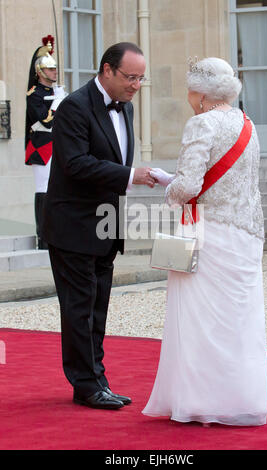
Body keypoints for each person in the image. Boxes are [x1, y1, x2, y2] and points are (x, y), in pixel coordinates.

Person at [143, 57, 267, 426]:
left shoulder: (201, 123)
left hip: (207, 234)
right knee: (239, 321)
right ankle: (241, 400)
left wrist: (168, 184)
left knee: (201, 321)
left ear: (199, 93)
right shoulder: (248, 124)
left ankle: (200, 401)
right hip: (244, 235)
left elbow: (188, 186)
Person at [42, 42, 156, 409]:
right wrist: (131, 175)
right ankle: (87, 384)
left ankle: (96, 379)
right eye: (130, 77)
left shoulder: (128, 108)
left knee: (98, 306)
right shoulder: (73, 107)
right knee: (79, 308)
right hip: (73, 225)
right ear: (107, 70)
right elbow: (75, 164)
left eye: (141, 78)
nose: (136, 84)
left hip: (107, 225)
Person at [25, 35, 66, 249]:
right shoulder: (34, 94)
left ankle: (54, 232)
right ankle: (43, 236)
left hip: (56, 145)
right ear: (40, 71)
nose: (54, 72)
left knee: (55, 189)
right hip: (41, 146)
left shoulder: (54, 92)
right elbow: (44, 120)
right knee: (43, 188)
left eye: (55, 69)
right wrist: (57, 104)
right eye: (50, 69)